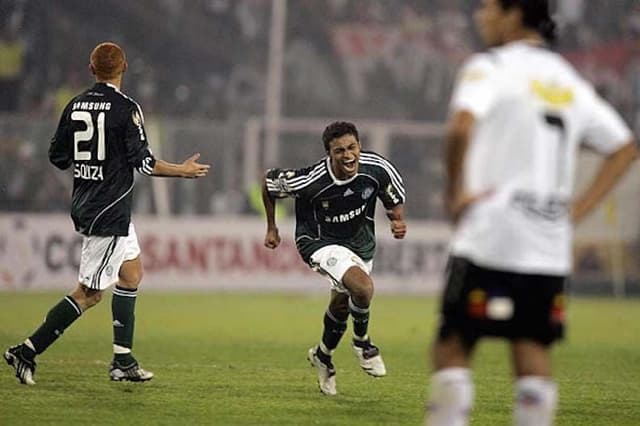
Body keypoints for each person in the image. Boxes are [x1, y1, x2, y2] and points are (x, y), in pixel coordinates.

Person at [425, 1, 638, 425]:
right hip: (546, 245)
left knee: (452, 345)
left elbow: (461, 126)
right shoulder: (568, 81)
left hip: (491, 234)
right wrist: (578, 209)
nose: (479, 15)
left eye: (487, 6)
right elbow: (624, 147)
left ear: (514, 12)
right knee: (531, 350)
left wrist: (455, 192)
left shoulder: (489, 68)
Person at [4, 42, 210, 385]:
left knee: (131, 275)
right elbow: (144, 162)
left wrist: (92, 161)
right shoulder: (126, 108)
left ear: (91, 68)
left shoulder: (74, 104)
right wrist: (182, 170)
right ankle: (26, 351)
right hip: (109, 210)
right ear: (124, 67)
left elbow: (57, 157)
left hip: (91, 201)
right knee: (90, 293)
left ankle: (123, 361)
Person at [262, 121, 407, 396]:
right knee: (363, 288)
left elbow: (392, 197)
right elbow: (269, 183)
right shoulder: (311, 180)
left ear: (360, 146)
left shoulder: (377, 169)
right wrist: (272, 227)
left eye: (352, 147)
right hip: (319, 242)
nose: (348, 155)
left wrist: (397, 220)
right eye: (339, 150)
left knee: (341, 307)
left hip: (360, 245)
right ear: (329, 153)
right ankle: (363, 344)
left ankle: (323, 356)